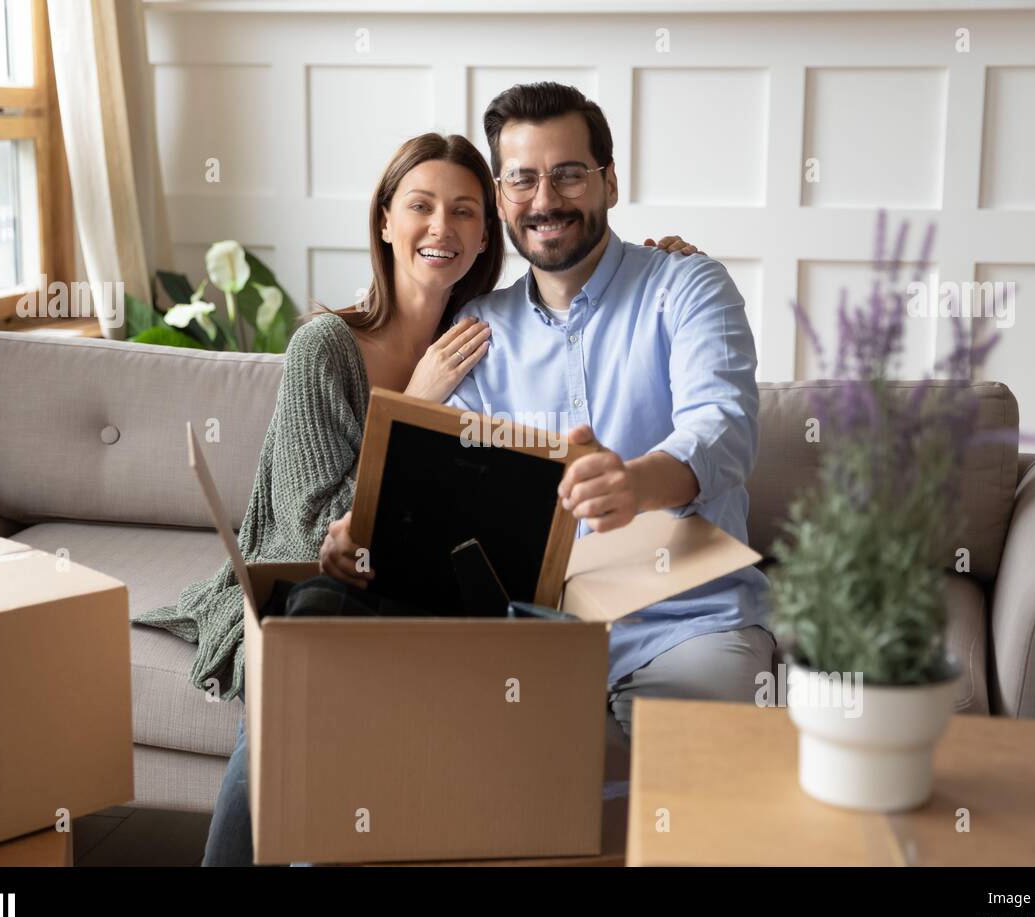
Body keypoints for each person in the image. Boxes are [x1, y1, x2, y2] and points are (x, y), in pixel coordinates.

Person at [133, 130, 702, 865]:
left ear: (487, 231)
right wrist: (413, 401)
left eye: (466, 211)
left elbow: (583, 324)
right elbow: (311, 528)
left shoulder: (492, 335)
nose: (443, 228)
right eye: (421, 206)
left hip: (438, 591)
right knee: (299, 670)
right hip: (317, 583)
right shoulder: (326, 347)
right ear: (384, 221)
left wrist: (659, 268)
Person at [324, 82, 776, 744]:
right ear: (502, 198)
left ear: (610, 182)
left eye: (568, 175)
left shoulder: (687, 288)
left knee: (688, 802)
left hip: (688, 625)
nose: (545, 201)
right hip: (532, 636)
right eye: (522, 180)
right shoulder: (476, 329)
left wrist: (635, 483)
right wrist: (360, 531)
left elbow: (725, 428)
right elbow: (448, 488)